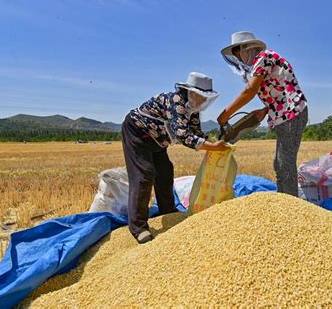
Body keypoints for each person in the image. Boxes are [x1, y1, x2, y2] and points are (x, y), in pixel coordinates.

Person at [122, 72, 230, 243]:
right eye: (201, 97)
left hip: (158, 140)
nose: (203, 101)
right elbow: (183, 136)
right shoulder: (176, 101)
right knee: (144, 175)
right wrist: (212, 148)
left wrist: (215, 142)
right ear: (191, 92)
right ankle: (138, 227)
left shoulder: (192, 109)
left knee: (165, 171)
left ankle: (167, 210)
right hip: (138, 133)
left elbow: (196, 132)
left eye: (206, 98)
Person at [218, 31, 308, 197]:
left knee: (284, 163)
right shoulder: (262, 62)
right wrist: (264, 110)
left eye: (238, 53)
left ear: (247, 48)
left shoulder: (263, 57)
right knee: (280, 163)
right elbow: (279, 89)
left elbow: (249, 91)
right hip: (283, 113)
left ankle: (290, 205)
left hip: (291, 113)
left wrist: (225, 114)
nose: (238, 58)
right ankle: (284, 198)